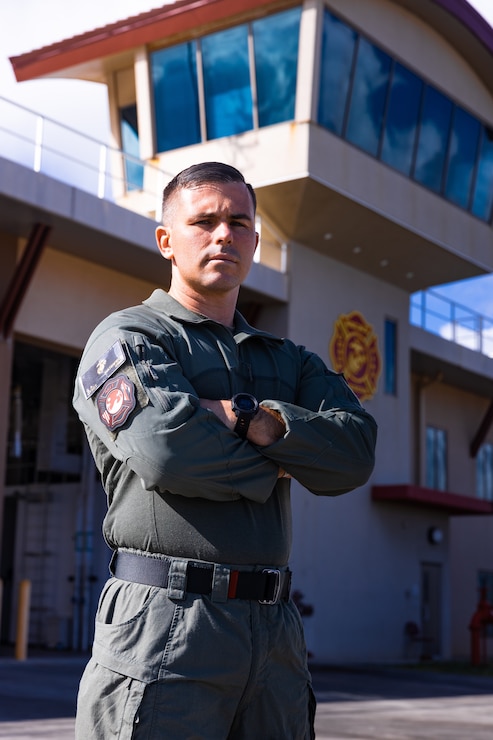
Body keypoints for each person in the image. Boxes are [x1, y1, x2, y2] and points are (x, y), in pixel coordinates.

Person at [72, 161, 377, 739]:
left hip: (276, 634)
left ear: (255, 242)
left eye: (238, 222)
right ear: (166, 239)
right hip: (165, 625)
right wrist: (287, 457)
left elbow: (356, 453)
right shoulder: (129, 339)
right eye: (203, 220)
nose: (223, 234)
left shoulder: (287, 360)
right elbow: (167, 449)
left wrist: (252, 422)